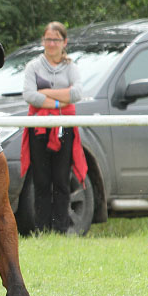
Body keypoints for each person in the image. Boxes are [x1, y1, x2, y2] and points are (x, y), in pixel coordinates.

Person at [20, 21, 88, 234]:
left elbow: (77, 94)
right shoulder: (33, 66)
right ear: (43, 41)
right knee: (41, 180)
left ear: (64, 42)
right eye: (48, 39)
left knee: (61, 179)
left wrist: (46, 93)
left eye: (56, 40)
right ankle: (42, 229)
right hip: (38, 128)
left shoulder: (71, 67)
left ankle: (60, 229)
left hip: (64, 128)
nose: (51, 44)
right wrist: (60, 101)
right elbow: (29, 95)